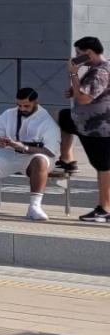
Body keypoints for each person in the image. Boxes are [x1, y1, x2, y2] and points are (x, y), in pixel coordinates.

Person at [0, 87, 58, 219]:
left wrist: (24, 148)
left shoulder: (46, 120)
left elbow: (50, 150)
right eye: (19, 105)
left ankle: (34, 207)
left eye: (26, 106)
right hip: (9, 153)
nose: (22, 109)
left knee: (41, 160)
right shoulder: (8, 114)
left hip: (32, 156)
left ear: (36, 102)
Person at [68, 37, 110, 222]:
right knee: (64, 118)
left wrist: (74, 74)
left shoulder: (100, 72)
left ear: (89, 53)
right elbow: (83, 92)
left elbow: (84, 98)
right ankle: (66, 158)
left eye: (79, 54)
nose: (76, 57)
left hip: (99, 128)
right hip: (89, 126)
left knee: (104, 167)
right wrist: (73, 91)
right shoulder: (95, 70)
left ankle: (105, 208)